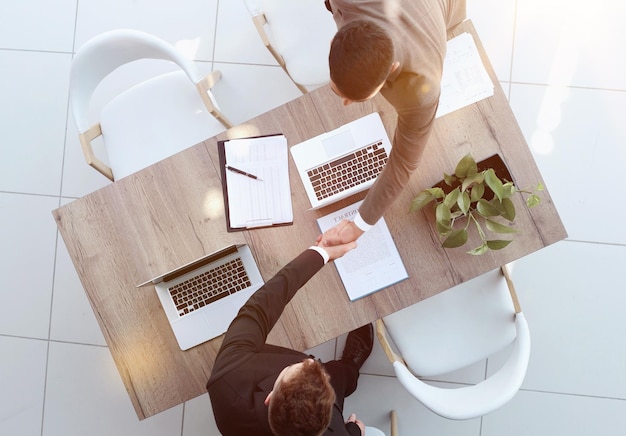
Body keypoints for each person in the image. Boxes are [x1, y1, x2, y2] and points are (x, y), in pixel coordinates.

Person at [207, 220, 374, 435]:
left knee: (334, 374)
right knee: (339, 374)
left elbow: (259, 309)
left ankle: (347, 376)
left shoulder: (228, 376)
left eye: (298, 367)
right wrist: (354, 431)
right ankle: (349, 370)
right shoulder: (335, 431)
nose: (311, 360)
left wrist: (320, 253)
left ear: (269, 397)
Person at [321, 0, 467, 246]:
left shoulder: (421, 90)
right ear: (333, 43)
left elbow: (403, 163)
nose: (344, 102)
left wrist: (358, 227)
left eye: (352, 98)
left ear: (393, 69)